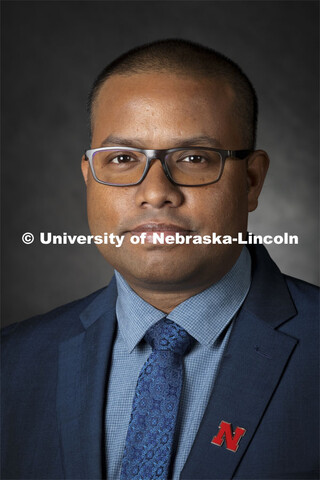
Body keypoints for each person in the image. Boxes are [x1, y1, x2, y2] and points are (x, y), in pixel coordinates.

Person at [1, 39, 319, 480]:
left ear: (251, 181)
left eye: (192, 158)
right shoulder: (12, 362)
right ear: (88, 179)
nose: (155, 192)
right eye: (123, 159)